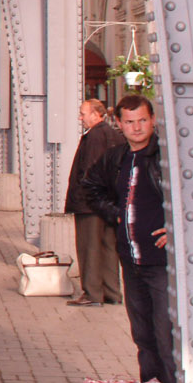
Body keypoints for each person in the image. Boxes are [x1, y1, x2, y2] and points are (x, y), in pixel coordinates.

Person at [83, 94, 180, 383]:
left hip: (160, 266)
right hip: (132, 261)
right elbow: (90, 186)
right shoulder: (116, 158)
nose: (136, 127)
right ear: (119, 124)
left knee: (166, 342)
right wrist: (116, 214)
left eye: (142, 120)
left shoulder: (167, 157)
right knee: (144, 341)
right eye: (129, 122)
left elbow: (190, 194)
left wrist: (177, 226)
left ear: (152, 120)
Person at [64, 98, 124, 307]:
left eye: (83, 113)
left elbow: (89, 169)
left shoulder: (94, 137)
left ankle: (92, 293)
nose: (80, 117)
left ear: (96, 114)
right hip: (109, 202)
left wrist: (86, 193)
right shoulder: (114, 135)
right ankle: (112, 292)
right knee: (109, 246)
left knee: (89, 247)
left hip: (90, 203)